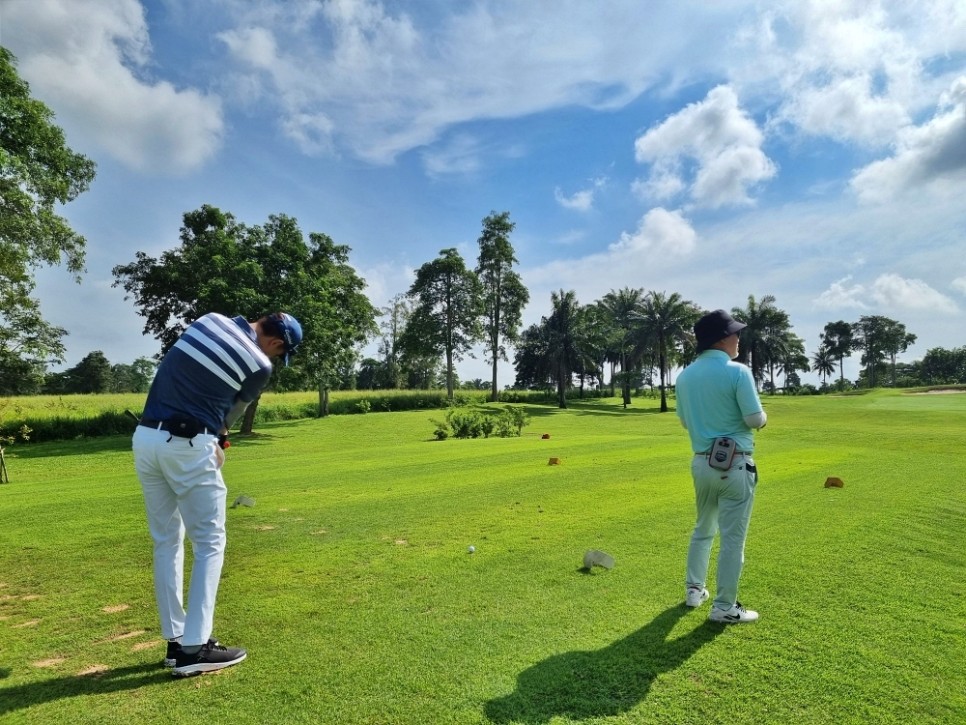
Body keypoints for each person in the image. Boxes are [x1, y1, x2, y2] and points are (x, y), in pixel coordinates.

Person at [132, 311, 302, 676]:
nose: (274, 358)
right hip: (189, 443)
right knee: (210, 542)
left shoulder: (208, 320)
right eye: (279, 354)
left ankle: (176, 641)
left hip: (145, 438)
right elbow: (230, 415)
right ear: (276, 344)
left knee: (166, 540)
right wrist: (219, 440)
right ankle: (195, 650)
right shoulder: (259, 365)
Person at [675, 309, 766, 624]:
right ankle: (725, 607)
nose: (739, 338)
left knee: (703, 529)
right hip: (735, 465)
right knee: (732, 539)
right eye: (735, 333)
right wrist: (763, 418)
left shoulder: (684, 376)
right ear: (723, 338)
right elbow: (755, 419)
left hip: (701, 464)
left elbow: (686, 423)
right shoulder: (737, 372)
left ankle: (694, 591)